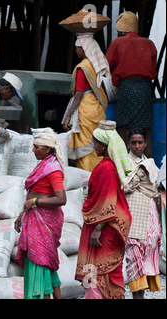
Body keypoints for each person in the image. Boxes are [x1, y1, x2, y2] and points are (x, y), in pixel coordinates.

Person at [75, 120, 132, 299]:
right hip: (104, 225)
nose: (94, 146)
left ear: (104, 145)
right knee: (106, 271)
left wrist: (97, 230)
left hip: (104, 227)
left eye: (96, 142)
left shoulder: (106, 168)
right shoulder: (108, 166)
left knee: (101, 271)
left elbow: (108, 202)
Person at [14, 127, 67, 299]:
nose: (33, 150)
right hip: (36, 219)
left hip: (45, 222)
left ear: (47, 148)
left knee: (40, 260)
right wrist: (21, 215)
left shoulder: (53, 170)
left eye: (37, 147)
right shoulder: (44, 165)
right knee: (43, 263)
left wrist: (35, 202)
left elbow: (61, 198)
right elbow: (32, 194)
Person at [105, 11, 157, 158]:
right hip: (144, 89)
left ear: (121, 29)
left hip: (126, 89)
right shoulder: (149, 43)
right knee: (145, 132)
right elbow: (153, 71)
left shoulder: (117, 43)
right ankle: (149, 172)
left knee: (122, 129)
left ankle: (122, 166)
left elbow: (105, 67)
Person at [62, 33, 110, 172]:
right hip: (96, 108)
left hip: (86, 109)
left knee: (86, 146)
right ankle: (99, 173)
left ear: (83, 49)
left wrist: (68, 115)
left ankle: (88, 175)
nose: (76, 50)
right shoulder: (96, 65)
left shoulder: (82, 67)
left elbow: (79, 94)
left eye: (77, 48)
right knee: (97, 143)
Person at [123, 128, 162, 299]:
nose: (137, 146)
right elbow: (124, 187)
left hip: (150, 217)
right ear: (128, 144)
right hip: (133, 215)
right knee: (133, 259)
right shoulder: (124, 163)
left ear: (146, 144)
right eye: (133, 142)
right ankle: (136, 297)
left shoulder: (151, 164)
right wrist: (140, 171)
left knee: (146, 259)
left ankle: (141, 296)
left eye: (140, 142)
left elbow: (156, 190)